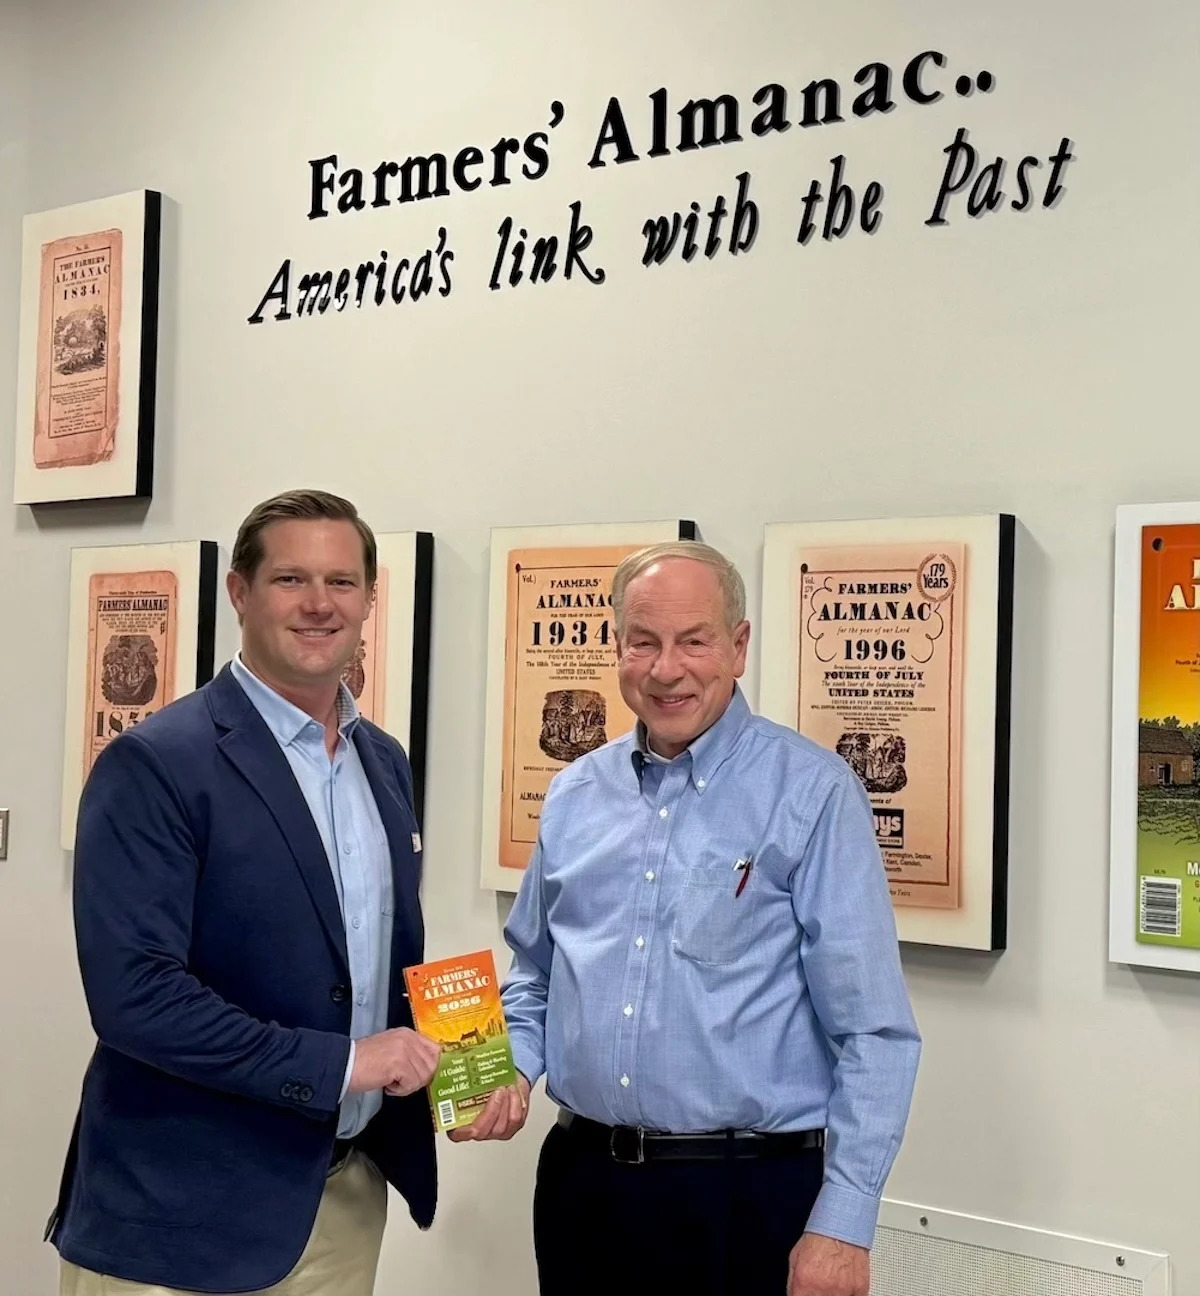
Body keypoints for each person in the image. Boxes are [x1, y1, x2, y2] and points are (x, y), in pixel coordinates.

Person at [458, 540, 921, 1296]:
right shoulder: (574, 795)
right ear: (617, 646)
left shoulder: (813, 793)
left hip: (747, 1198)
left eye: (694, 642)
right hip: (583, 1187)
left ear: (738, 646)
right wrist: (507, 1068)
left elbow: (874, 1032)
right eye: (643, 642)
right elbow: (536, 974)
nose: (666, 669)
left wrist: (844, 1223)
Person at [48, 489, 441, 1295]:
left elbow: (373, 964)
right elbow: (137, 999)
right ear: (239, 591)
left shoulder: (383, 763)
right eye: (291, 579)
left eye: (341, 582)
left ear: (369, 599)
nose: (320, 604)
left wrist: (469, 1064)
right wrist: (345, 1063)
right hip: (180, 1214)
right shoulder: (157, 765)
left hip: (341, 1198)